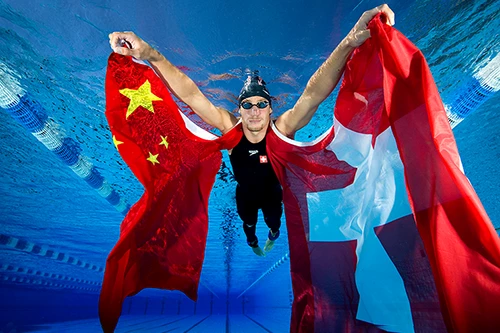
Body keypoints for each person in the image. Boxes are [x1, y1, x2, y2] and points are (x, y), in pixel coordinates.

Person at [108, 4, 395, 257]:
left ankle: (269, 238)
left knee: (274, 223)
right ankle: (253, 241)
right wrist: (150, 54)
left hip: (273, 194)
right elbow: (191, 95)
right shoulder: (230, 128)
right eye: (247, 105)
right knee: (248, 226)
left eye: (261, 104)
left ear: (271, 108)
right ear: (240, 109)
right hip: (244, 193)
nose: (254, 110)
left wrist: (349, 41)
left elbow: (313, 94)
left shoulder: (283, 129)